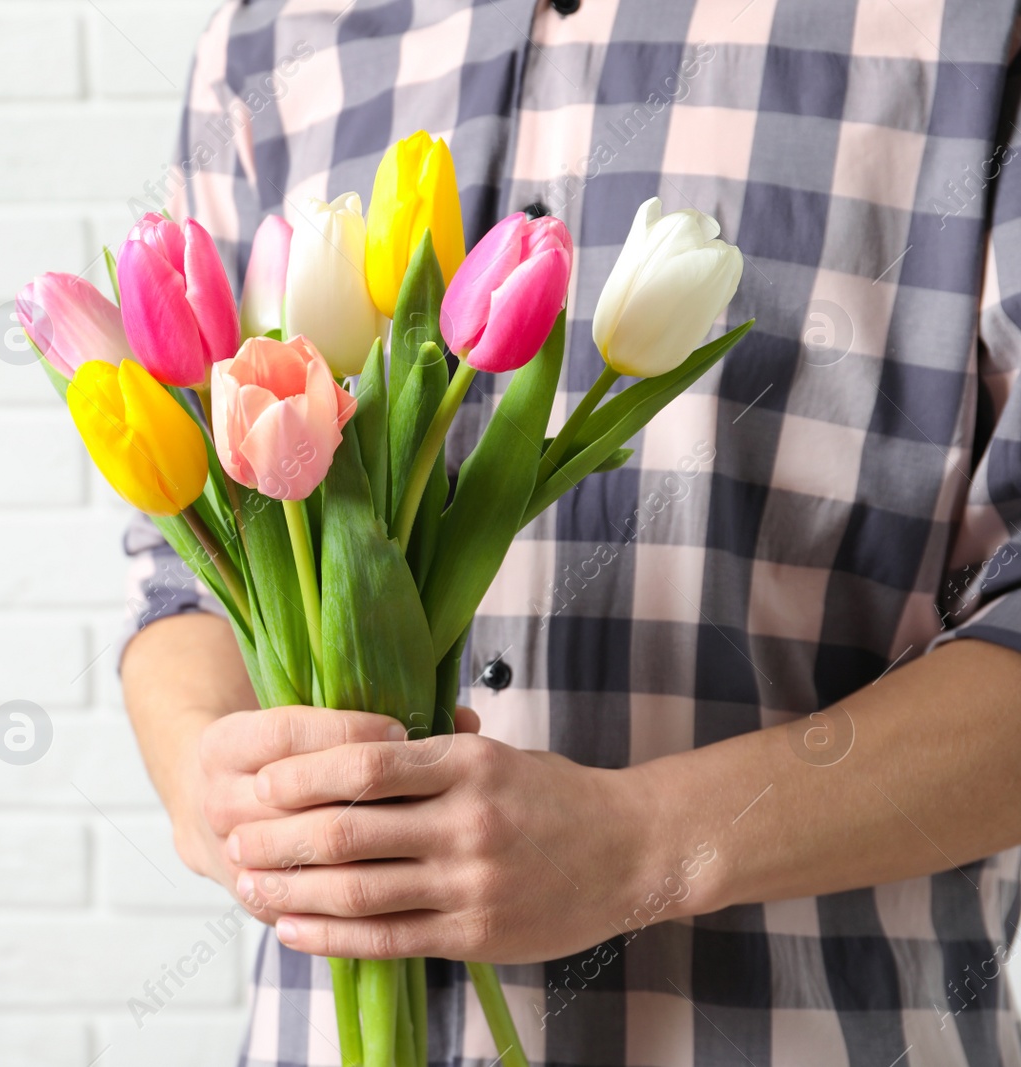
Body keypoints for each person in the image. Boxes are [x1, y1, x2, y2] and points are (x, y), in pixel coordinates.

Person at [118, 1, 1021, 1064]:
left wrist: (643, 846)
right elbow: (187, 567)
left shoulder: (971, 28)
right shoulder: (268, 38)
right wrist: (210, 777)